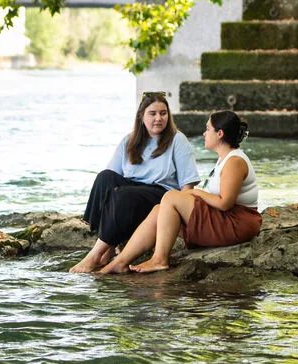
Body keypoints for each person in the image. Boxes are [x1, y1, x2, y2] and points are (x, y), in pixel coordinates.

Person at [103, 110, 261, 274]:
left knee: (171, 197)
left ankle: (159, 260)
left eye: (208, 129)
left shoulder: (234, 161)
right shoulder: (225, 158)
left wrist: (197, 193)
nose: (204, 133)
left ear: (220, 134)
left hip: (236, 223)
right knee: (159, 210)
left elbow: (225, 203)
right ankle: (120, 262)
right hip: (225, 218)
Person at [68, 92, 200, 273]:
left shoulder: (178, 140)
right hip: (133, 192)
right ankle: (107, 249)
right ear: (141, 116)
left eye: (163, 113)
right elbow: (111, 180)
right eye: (152, 113)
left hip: (162, 196)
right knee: (104, 177)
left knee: (125, 195)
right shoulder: (129, 141)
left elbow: (187, 186)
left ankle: (95, 255)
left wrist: (184, 218)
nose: (158, 118)